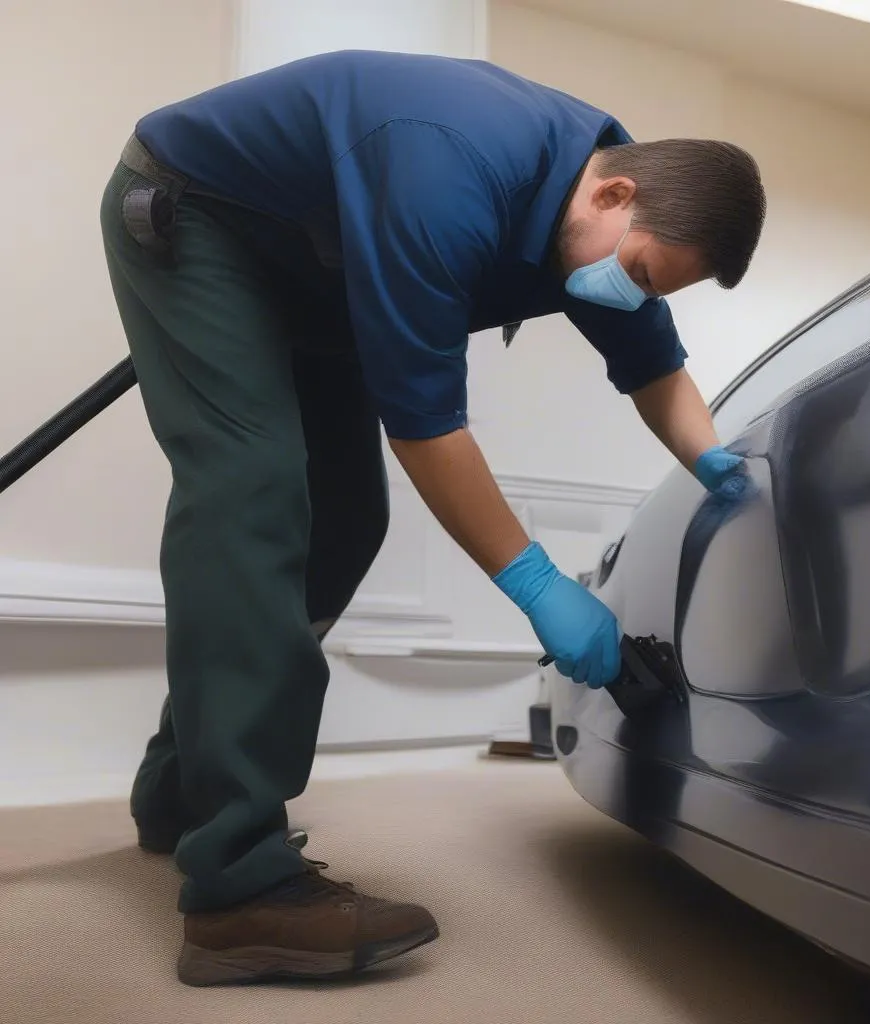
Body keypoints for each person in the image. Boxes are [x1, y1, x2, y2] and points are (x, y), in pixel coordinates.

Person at [99, 48, 766, 987]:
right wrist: (537, 586)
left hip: (316, 259)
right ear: (615, 196)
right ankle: (237, 892)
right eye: (647, 274)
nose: (639, 294)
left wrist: (717, 462)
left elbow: (655, 369)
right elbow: (429, 430)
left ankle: (184, 793)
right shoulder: (447, 172)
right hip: (198, 215)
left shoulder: (597, 208)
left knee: (344, 519)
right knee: (250, 492)